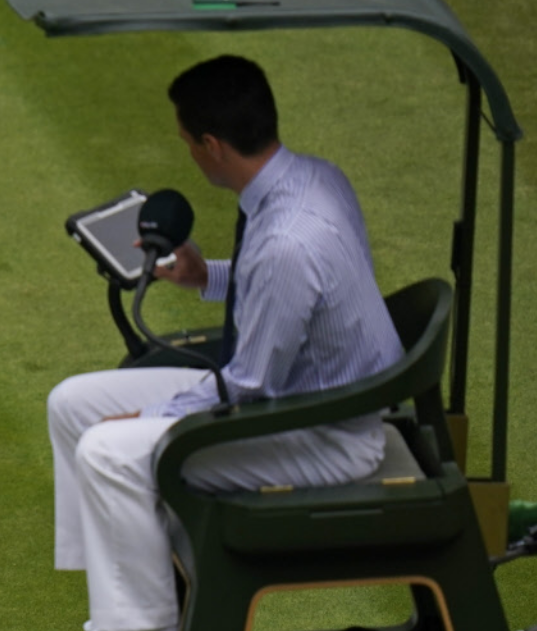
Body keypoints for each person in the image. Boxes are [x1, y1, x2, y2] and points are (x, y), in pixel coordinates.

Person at [47, 55, 404, 631]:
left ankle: (138, 623)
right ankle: (127, 585)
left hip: (321, 431)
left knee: (108, 451)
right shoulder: (313, 178)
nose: (188, 151)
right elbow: (286, 293)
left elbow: (247, 388)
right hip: (294, 393)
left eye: (187, 141)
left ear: (212, 144)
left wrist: (151, 415)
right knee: (70, 405)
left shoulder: (287, 239)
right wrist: (203, 276)